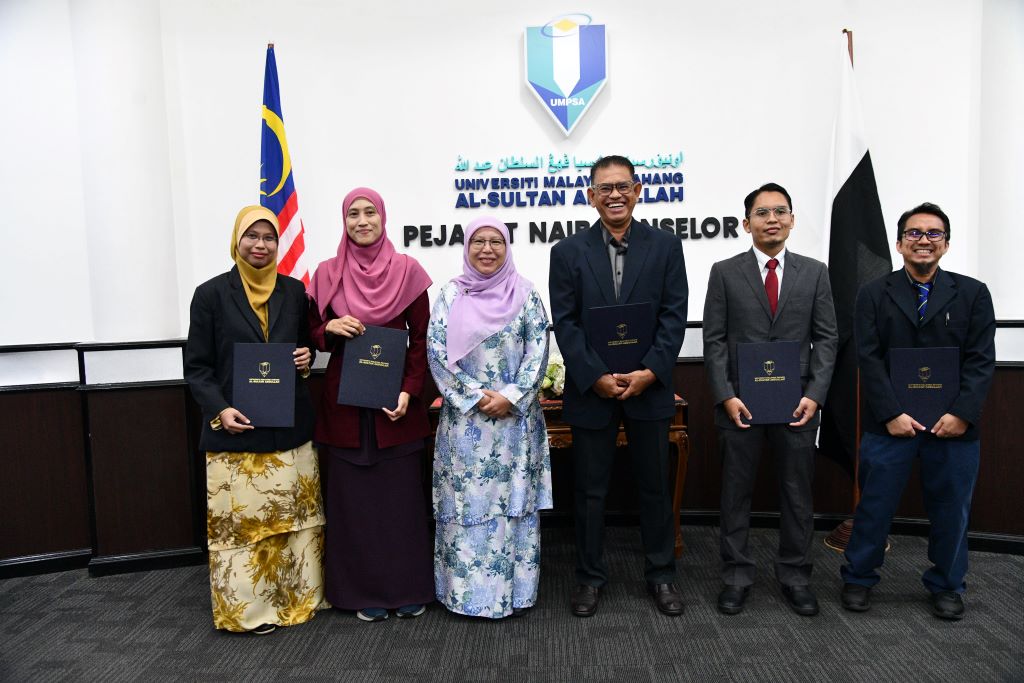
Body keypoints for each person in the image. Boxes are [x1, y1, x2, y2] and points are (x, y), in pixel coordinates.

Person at [840, 202, 995, 620]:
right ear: (899, 243)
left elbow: (981, 360)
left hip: (954, 426)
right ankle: (859, 577)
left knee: (952, 510)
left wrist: (962, 413)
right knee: (874, 507)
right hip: (889, 424)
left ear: (946, 243)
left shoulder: (973, 293)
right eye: (914, 233)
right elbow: (868, 358)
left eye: (933, 233)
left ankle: (947, 584)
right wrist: (891, 412)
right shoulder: (873, 293)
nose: (923, 240)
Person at [549, 155, 689, 617]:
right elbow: (566, 323)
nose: (614, 195)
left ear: (637, 191)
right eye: (605, 188)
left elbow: (673, 316)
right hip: (593, 391)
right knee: (590, 492)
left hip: (650, 387)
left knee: (654, 487)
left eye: (622, 186)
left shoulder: (666, 246)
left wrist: (650, 371)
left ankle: (662, 575)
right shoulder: (567, 252)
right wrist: (595, 377)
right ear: (591, 196)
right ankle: (589, 578)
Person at [184, 205, 325, 636]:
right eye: (252, 236)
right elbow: (197, 367)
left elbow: (303, 348)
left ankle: (297, 603)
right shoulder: (210, 294)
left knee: (293, 523)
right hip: (236, 433)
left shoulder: (294, 291)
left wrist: (305, 359)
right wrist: (219, 409)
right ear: (237, 240)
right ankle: (249, 612)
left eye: (269, 238)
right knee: (244, 529)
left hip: (288, 431)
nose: (260, 245)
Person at [702, 183, 838, 617]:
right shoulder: (724, 272)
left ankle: (796, 576)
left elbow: (827, 339)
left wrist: (815, 396)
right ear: (747, 224)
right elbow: (714, 340)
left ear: (792, 220)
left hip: (797, 404)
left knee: (797, 494)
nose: (772, 219)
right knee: (735, 493)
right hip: (739, 404)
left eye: (780, 211)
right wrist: (726, 396)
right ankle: (736, 576)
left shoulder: (815, 272)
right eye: (762, 213)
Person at [307, 187, 434, 622]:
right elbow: (310, 332)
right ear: (344, 222)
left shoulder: (408, 271)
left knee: (400, 500)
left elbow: (421, 340)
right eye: (353, 214)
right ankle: (361, 592)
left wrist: (409, 391)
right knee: (354, 503)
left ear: (383, 217)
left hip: (394, 406)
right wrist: (329, 329)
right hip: (346, 406)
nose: (362, 221)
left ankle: (407, 588)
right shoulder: (326, 273)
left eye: (369, 213)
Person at [427, 216, 552, 619]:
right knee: (466, 506)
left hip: (515, 423)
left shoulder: (527, 294)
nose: (486, 249)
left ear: (507, 247)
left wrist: (511, 397)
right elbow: (437, 353)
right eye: (478, 241)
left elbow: (538, 352)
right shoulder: (450, 295)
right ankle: (464, 596)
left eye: (496, 241)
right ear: (466, 247)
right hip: (466, 425)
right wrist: (476, 396)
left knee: (513, 507)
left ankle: (515, 596)